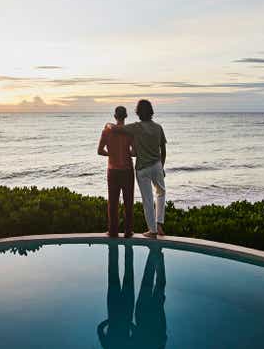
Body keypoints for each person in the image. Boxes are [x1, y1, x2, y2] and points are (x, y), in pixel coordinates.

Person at [106, 99, 167, 238]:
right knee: (161, 193)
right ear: (151, 112)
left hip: (142, 169)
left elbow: (116, 128)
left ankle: (152, 231)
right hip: (157, 165)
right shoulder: (158, 127)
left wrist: (108, 124)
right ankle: (159, 223)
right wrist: (161, 167)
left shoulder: (136, 127)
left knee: (147, 199)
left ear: (138, 113)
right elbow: (163, 149)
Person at [98, 106, 135, 238]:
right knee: (128, 201)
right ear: (125, 116)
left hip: (113, 170)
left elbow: (100, 151)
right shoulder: (129, 132)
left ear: (115, 116)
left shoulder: (106, 131)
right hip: (127, 170)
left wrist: (111, 154)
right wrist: (127, 152)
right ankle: (128, 231)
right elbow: (135, 152)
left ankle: (113, 231)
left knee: (112, 202)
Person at [97, 243, 135, 349]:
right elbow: (100, 329)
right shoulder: (107, 346)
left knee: (126, 273)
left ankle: (126, 247)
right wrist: (110, 321)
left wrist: (128, 324)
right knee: (115, 273)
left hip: (123, 313)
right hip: (116, 312)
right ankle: (119, 247)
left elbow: (100, 329)